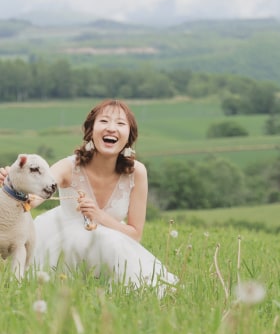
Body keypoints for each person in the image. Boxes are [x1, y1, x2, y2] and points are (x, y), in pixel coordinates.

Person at [0, 99, 176, 292]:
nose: (111, 128)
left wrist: (100, 217)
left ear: (129, 135)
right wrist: (13, 184)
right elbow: (35, 198)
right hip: (63, 241)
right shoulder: (69, 166)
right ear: (91, 131)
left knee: (126, 261)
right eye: (104, 121)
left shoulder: (137, 172)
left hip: (111, 245)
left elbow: (135, 234)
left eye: (120, 123)